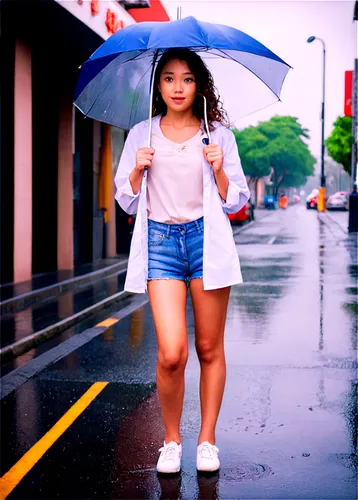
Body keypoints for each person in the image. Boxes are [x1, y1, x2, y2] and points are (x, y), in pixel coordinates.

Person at [115, 48, 250, 474]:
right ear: (158, 85)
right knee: (172, 352)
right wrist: (136, 170)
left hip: (205, 241)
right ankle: (171, 440)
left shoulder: (218, 136)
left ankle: (206, 439)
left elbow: (235, 202)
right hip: (161, 242)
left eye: (187, 79)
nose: (178, 87)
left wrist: (220, 170)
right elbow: (126, 199)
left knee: (209, 347)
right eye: (170, 78)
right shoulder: (142, 134)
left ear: (199, 86)